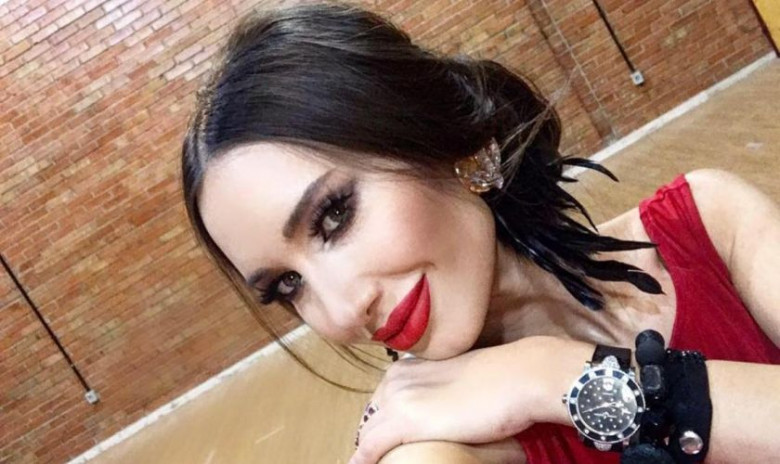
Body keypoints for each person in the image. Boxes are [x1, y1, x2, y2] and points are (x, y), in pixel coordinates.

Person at [180, 3, 780, 464]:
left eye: (334, 215)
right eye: (288, 285)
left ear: (452, 146)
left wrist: (552, 375)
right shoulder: (434, 446)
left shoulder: (709, 223)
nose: (340, 310)